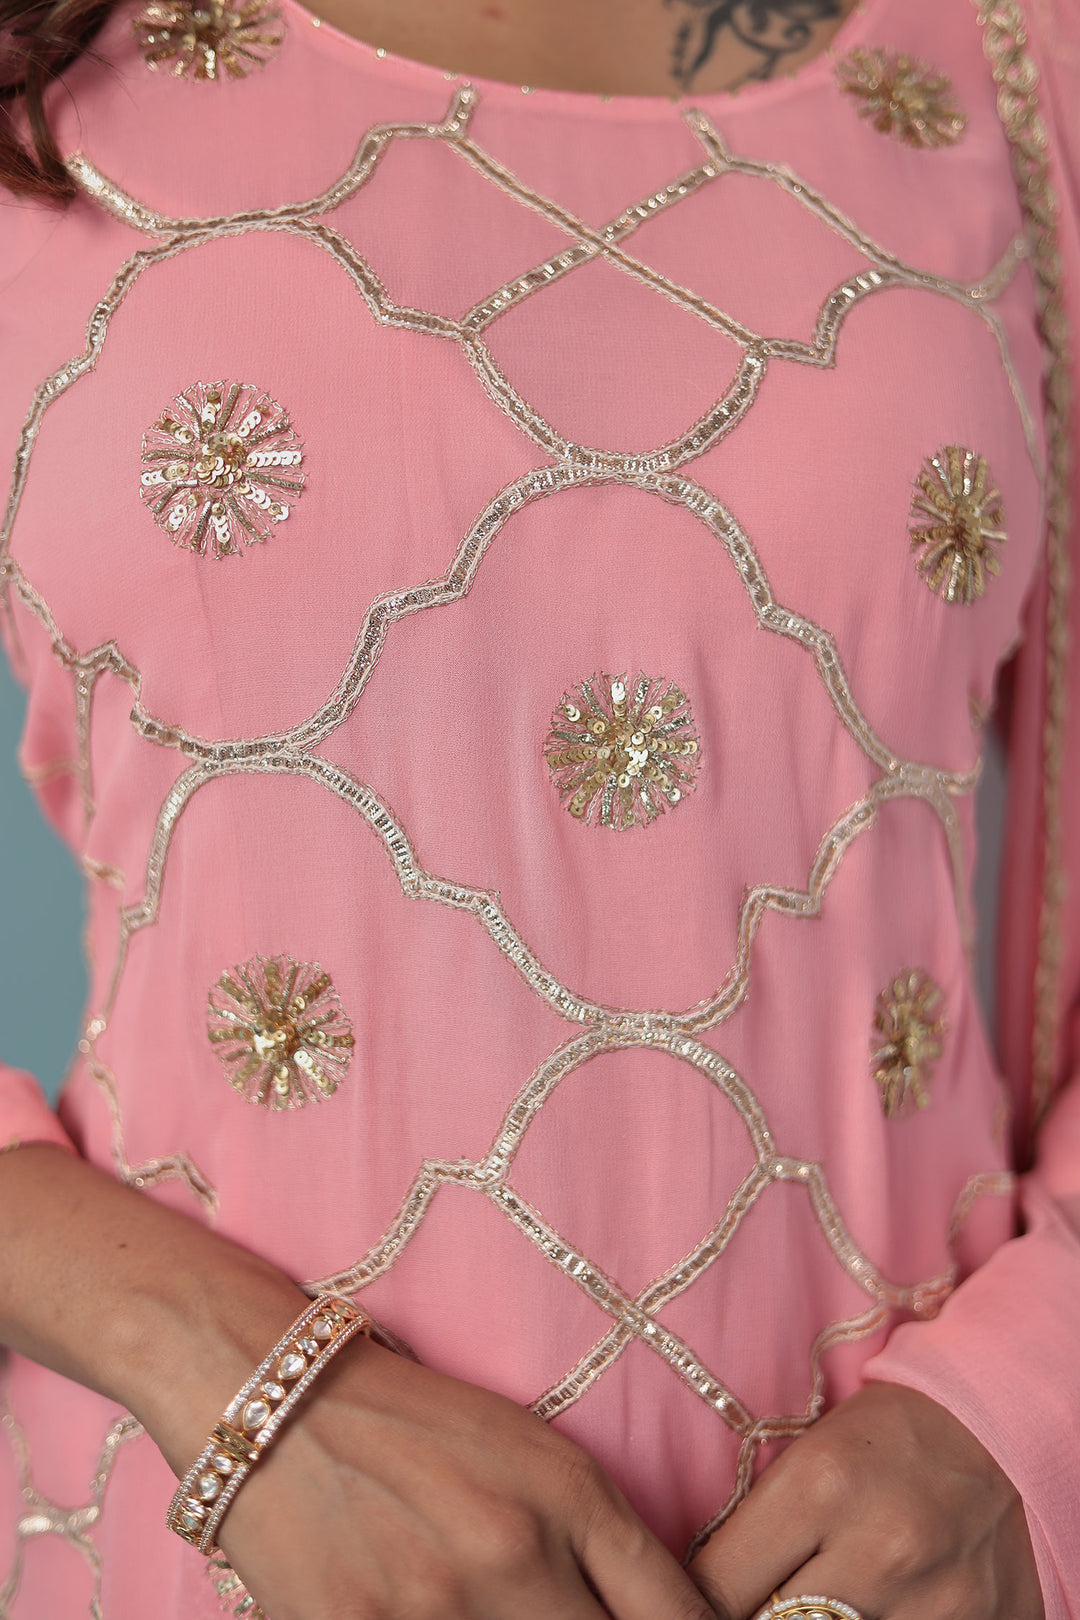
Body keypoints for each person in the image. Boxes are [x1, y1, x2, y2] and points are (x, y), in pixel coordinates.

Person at [0, 0, 1077, 1615]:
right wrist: (232, 1383)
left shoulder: (1020, 67)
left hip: (902, 1579)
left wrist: (1023, 1411)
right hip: (197, 1548)